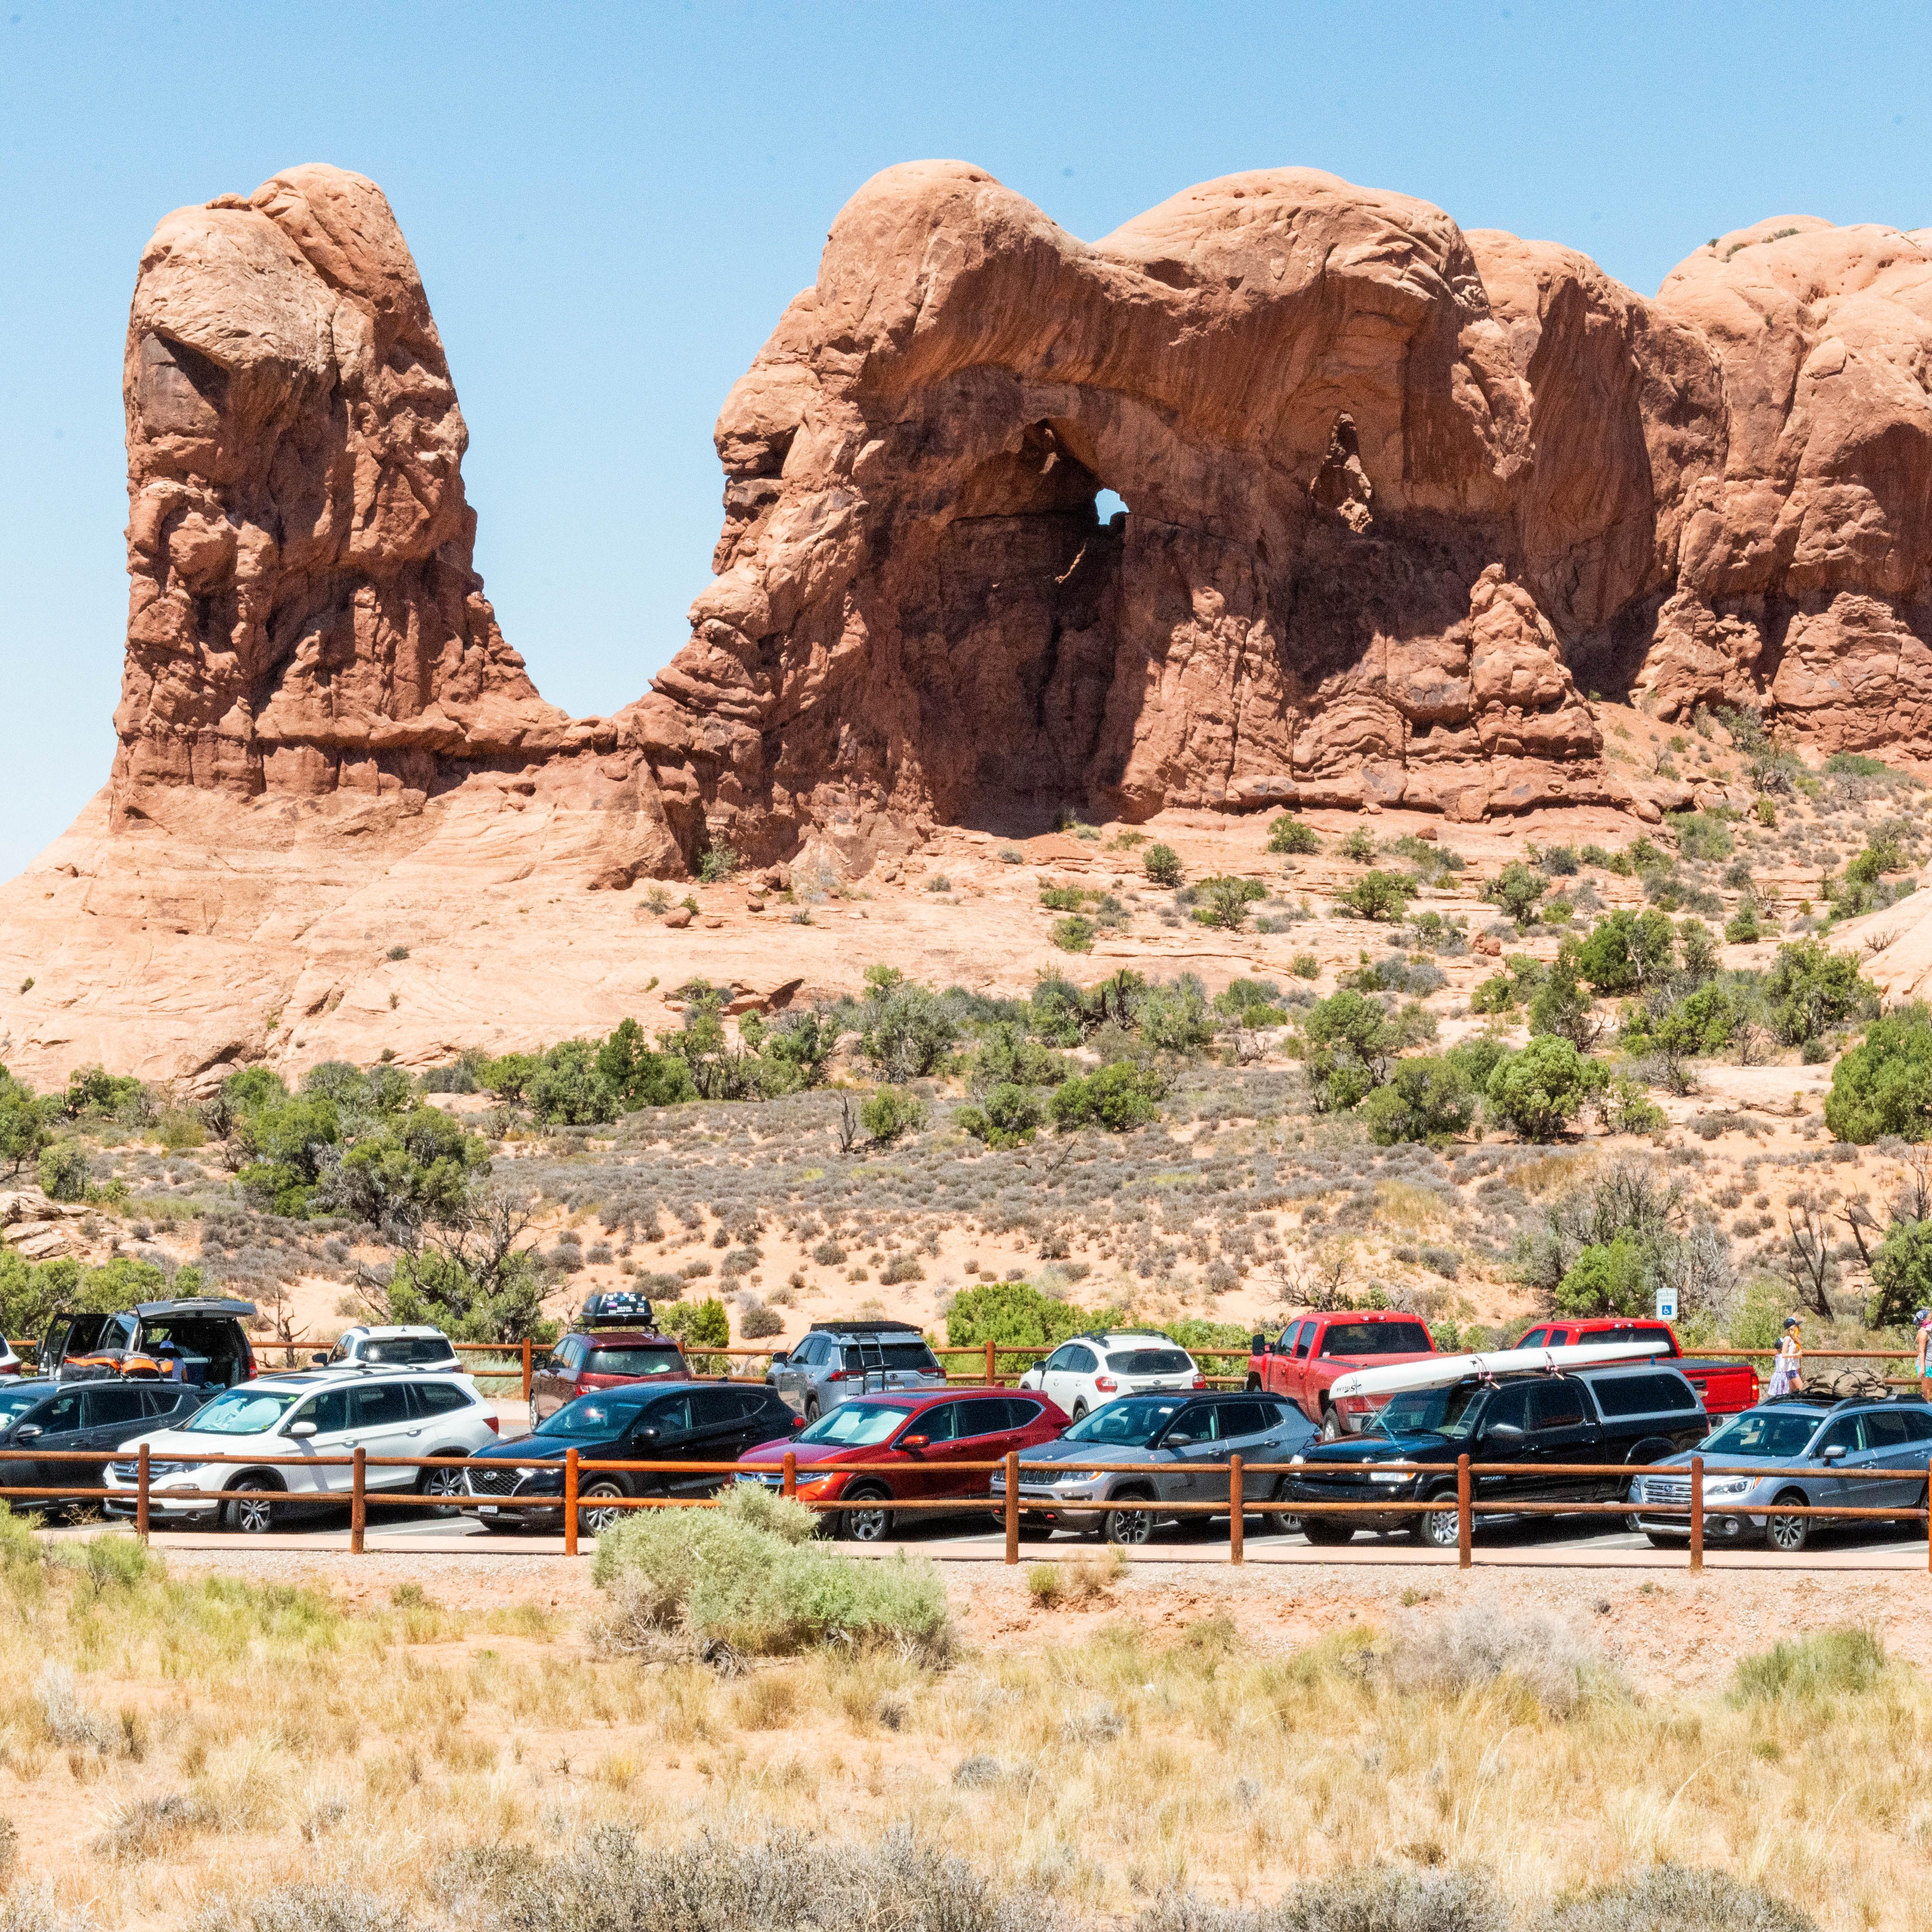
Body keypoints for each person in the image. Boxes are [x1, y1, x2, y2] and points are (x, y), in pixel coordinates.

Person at [1768, 1315, 1803, 1397]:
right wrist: (1796, 1355)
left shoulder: (1792, 1339)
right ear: (1792, 1328)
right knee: (1802, 1389)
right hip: (1791, 1370)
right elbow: (1784, 1354)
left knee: (1792, 1392)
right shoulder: (1787, 1339)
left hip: (1793, 1368)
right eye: (1796, 1326)